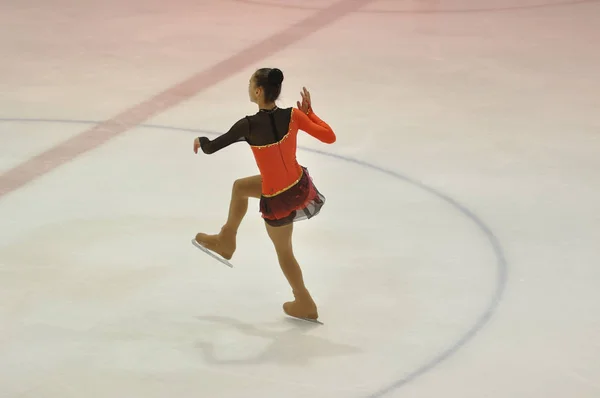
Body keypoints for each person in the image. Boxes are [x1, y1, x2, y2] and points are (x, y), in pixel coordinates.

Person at [193, 67, 336, 321]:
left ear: (258, 92)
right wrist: (310, 114)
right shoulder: (293, 115)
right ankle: (226, 240)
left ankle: (304, 301)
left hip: (278, 199)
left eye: (250, 83)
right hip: (298, 187)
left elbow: (211, 148)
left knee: (285, 252)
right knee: (240, 187)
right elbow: (329, 137)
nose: (248, 87)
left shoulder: (247, 125)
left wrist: (200, 141)